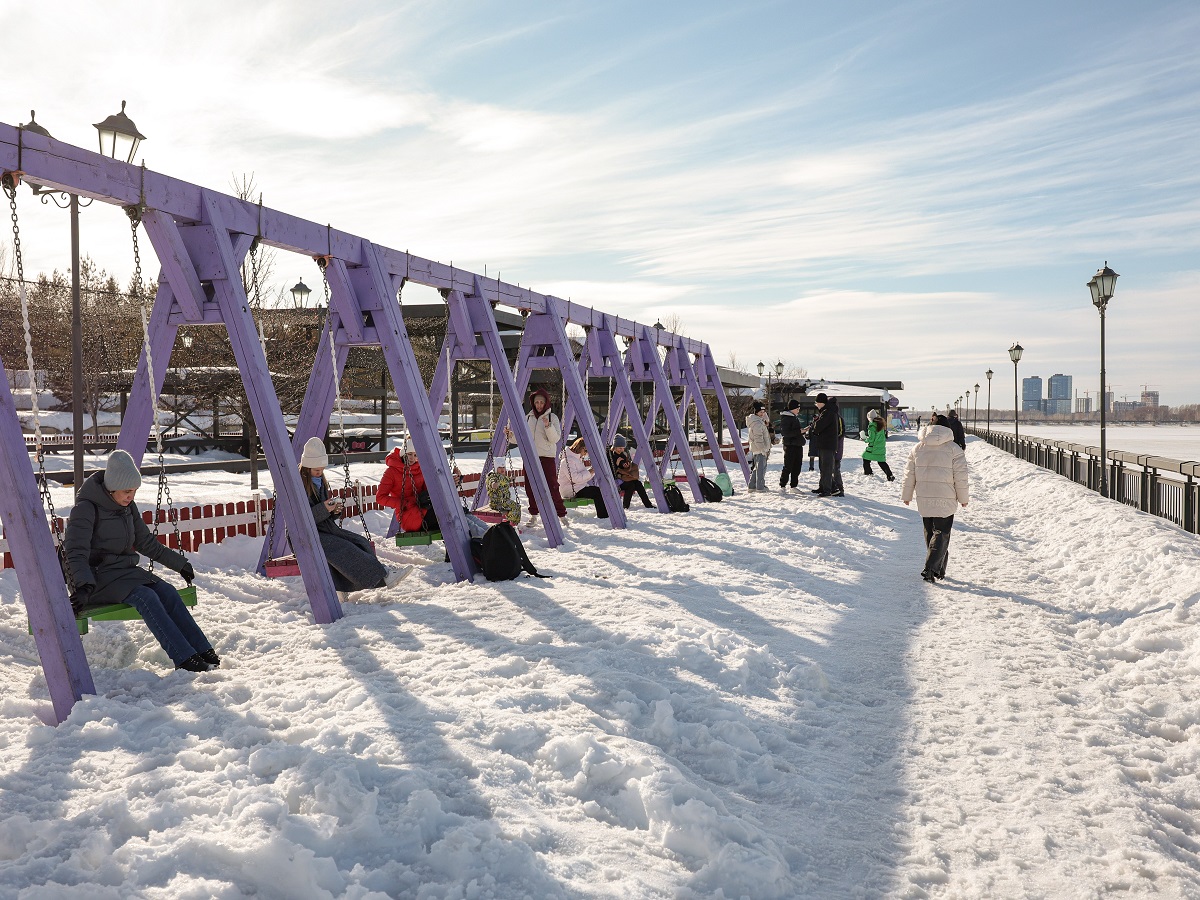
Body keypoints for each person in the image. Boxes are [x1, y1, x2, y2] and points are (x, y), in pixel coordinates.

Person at [63, 450, 219, 673]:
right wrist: (84, 586)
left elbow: (145, 542)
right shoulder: (86, 509)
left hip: (124, 574)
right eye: (127, 491)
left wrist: (179, 563)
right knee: (146, 597)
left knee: (167, 592)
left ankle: (201, 649)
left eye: (134, 491)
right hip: (96, 579)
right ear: (112, 487)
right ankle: (184, 658)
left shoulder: (127, 507)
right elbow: (75, 552)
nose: (131, 496)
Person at [299, 437, 410, 598]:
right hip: (306, 536)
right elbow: (302, 519)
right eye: (317, 470)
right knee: (344, 548)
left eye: (322, 469)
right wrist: (324, 508)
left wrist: (333, 510)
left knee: (360, 542)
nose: (320, 473)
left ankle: (345, 585)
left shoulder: (318, 481)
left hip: (323, 530)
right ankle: (382, 577)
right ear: (307, 468)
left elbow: (321, 513)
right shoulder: (300, 485)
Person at [901, 419, 969, 582]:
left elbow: (909, 474)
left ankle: (939, 570)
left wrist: (907, 495)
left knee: (930, 532)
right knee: (942, 533)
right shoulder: (954, 449)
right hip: (946, 497)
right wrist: (963, 498)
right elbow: (961, 477)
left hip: (924, 497)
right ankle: (931, 568)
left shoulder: (917, 448)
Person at [508, 388, 568, 527]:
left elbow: (555, 439)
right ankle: (534, 515)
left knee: (552, 486)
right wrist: (510, 435)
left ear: (546, 403)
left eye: (541, 402)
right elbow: (521, 437)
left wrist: (547, 426)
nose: (539, 405)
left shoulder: (552, 418)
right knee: (530, 488)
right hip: (530, 457)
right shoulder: (528, 417)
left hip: (546, 457)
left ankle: (561, 514)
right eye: (537, 402)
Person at [376, 437, 439, 537]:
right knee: (447, 517)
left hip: (424, 510)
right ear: (403, 453)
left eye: (415, 455)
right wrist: (403, 503)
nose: (412, 458)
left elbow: (428, 491)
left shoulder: (421, 469)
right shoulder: (391, 472)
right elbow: (380, 498)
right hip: (408, 517)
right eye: (409, 454)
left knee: (456, 519)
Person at [558, 437, 609, 519]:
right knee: (597, 492)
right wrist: (590, 472)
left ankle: (605, 515)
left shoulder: (576, 459)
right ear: (580, 448)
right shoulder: (567, 461)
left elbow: (582, 477)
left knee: (600, 490)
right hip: (571, 490)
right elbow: (575, 478)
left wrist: (592, 471)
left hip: (578, 487)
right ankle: (603, 516)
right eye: (585, 451)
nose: (586, 454)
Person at [609, 434, 653, 508]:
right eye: (620, 448)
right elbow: (610, 471)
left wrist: (628, 466)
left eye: (623, 448)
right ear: (615, 447)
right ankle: (625, 506)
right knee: (631, 485)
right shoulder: (610, 456)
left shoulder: (623, 455)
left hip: (625, 478)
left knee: (638, 483)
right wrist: (616, 464)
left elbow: (626, 467)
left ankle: (648, 505)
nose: (622, 450)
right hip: (617, 480)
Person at [806, 392, 838, 496]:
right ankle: (824, 487)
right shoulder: (826, 411)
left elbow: (818, 426)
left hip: (827, 444)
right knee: (823, 467)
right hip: (825, 444)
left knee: (826, 468)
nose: (816, 405)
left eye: (817, 403)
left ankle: (827, 490)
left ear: (821, 403)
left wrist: (815, 424)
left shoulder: (828, 412)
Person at [777, 398, 806, 490]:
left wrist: (802, 432)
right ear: (792, 408)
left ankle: (794, 485)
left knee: (797, 466)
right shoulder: (786, 418)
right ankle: (782, 485)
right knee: (788, 466)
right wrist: (799, 431)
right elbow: (786, 433)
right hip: (790, 445)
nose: (798, 410)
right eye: (797, 408)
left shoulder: (794, 417)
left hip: (797, 445)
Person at [745, 401, 772, 492]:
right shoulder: (757, 423)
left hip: (757, 448)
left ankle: (752, 486)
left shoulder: (758, 421)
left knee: (757, 468)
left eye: (764, 412)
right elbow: (758, 438)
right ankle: (760, 486)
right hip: (760, 449)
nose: (762, 414)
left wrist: (765, 417)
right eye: (761, 412)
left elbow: (767, 421)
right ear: (756, 412)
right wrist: (763, 449)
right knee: (761, 468)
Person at [861, 409, 895, 480]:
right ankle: (890, 475)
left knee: (865, 458)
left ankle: (868, 473)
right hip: (881, 447)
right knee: (881, 461)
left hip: (873, 447)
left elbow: (871, 439)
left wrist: (864, 439)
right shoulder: (880, 424)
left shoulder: (872, 426)